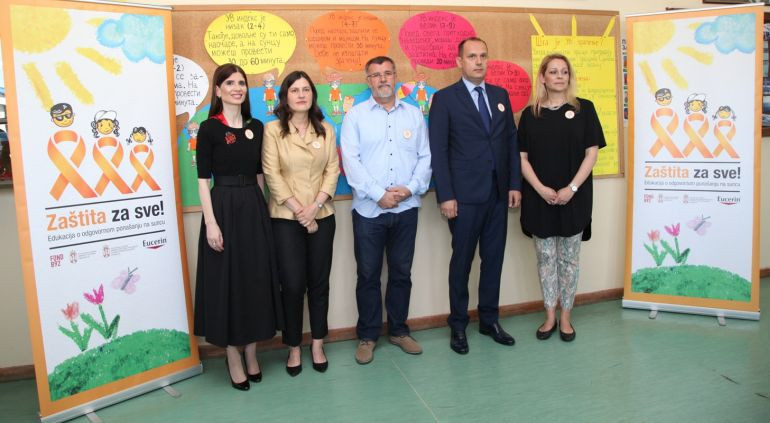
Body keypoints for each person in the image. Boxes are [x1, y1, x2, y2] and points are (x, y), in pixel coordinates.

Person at [428, 37, 521, 355]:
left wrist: (514, 184)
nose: (479, 61)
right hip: (464, 198)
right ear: (460, 62)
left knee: (493, 260)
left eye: (483, 56)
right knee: (462, 262)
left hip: (498, 195)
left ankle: (489, 320)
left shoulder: (500, 95)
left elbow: (510, 142)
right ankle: (458, 324)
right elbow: (439, 151)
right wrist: (446, 195)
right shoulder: (444, 99)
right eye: (472, 56)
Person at [193, 64, 282, 390]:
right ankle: (232, 355)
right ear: (218, 90)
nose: (237, 88)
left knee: (254, 280)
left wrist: (264, 213)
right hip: (223, 209)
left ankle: (252, 352)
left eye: (241, 83)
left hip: (253, 208)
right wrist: (211, 224)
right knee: (227, 283)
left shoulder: (256, 127)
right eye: (229, 83)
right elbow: (203, 181)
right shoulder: (208, 129)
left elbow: (260, 175)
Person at [340, 56, 432, 365]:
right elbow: (351, 162)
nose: (383, 79)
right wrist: (379, 195)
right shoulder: (355, 116)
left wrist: (409, 189)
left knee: (401, 273)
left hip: (406, 208)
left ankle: (399, 330)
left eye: (388, 73)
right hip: (369, 210)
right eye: (376, 75)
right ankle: (368, 336)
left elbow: (425, 157)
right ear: (368, 81)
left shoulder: (414, 115)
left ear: (395, 77)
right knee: (368, 275)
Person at [518, 53, 605, 342]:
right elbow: (522, 158)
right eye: (553, 71)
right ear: (543, 77)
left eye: (564, 72)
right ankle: (550, 316)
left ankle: (566, 317)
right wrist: (540, 189)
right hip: (539, 199)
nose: (559, 76)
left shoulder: (584, 109)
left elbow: (591, 154)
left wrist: (572, 189)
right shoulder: (530, 115)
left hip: (574, 198)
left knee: (569, 260)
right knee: (545, 259)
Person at [262, 70, 339, 376]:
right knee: (293, 286)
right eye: (295, 90)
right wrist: (300, 211)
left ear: (313, 95)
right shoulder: (273, 130)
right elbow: (272, 174)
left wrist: (315, 207)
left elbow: (332, 170)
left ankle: (317, 343)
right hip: (286, 218)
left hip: (322, 215)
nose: (301, 95)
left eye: (306, 89)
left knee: (319, 284)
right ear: (285, 96)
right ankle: (293, 346)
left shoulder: (326, 129)